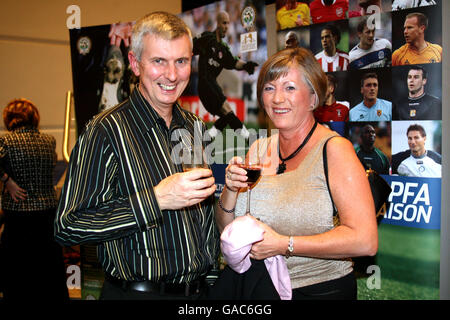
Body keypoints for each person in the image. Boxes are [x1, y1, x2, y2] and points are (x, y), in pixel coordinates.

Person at [54, 11, 219, 300]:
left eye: (181, 61)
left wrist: (213, 281)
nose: (171, 75)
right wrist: (155, 200)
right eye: (159, 61)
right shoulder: (104, 131)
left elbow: (204, 218)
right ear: (135, 64)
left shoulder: (195, 127)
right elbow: (68, 226)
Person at [215, 47, 378, 300]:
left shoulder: (335, 150)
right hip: (258, 285)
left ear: (313, 98)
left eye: (289, 87)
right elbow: (227, 229)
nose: (277, 98)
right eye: (269, 88)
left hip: (318, 290)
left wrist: (284, 244)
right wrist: (230, 190)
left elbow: (365, 241)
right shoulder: (259, 149)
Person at [0, 98, 68, 300]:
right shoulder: (49, 140)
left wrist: (6, 181)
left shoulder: (6, 141)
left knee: (19, 278)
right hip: (46, 216)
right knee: (49, 275)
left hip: (18, 219)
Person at [193, 11, 258, 139]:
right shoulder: (207, 38)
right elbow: (190, 46)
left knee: (226, 116)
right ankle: (249, 140)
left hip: (211, 86)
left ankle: (206, 139)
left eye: (228, 23)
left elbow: (234, 63)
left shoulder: (223, 49)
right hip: (205, 83)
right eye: (224, 23)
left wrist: (246, 65)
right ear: (217, 23)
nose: (226, 26)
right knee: (227, 110)